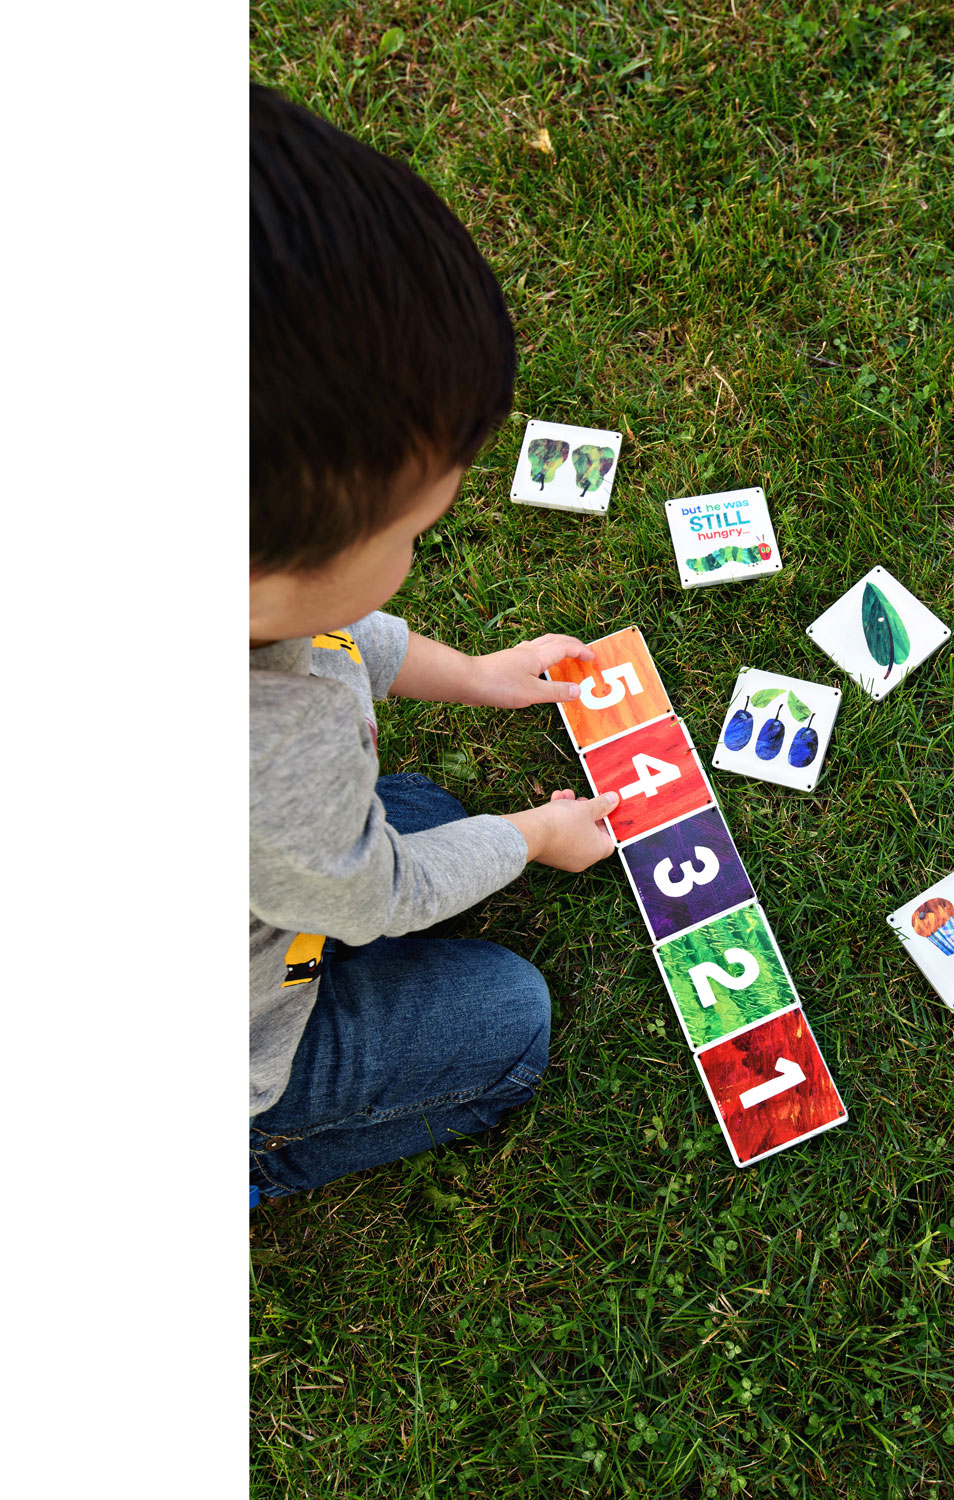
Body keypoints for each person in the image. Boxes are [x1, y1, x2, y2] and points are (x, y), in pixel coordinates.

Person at [249, 85, 617, 1202]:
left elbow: (333, 626)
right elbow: (377, 899)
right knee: (507, 1018)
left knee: (418, 818)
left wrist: (478, 675)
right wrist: (536, 834)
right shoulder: (267, 748)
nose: (419, 550)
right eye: (411, 533)